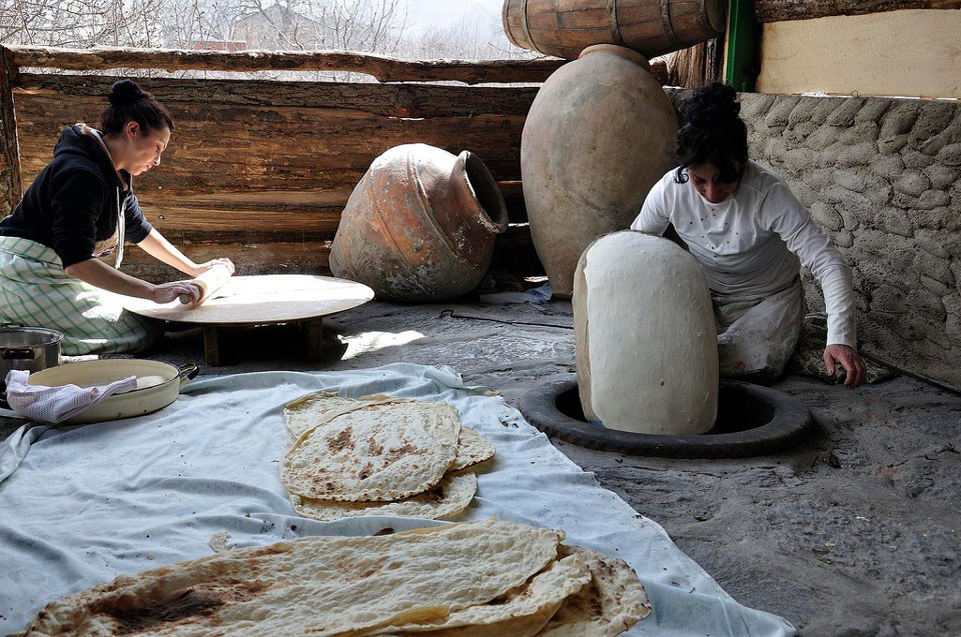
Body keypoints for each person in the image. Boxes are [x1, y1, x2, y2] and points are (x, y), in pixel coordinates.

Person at [631, 82, 865, 387]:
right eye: (700, 181)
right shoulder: (670, 189)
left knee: (744, 366)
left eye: (723, 178)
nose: (712, 193)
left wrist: (841, 339)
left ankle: (790, 335)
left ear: (742, 162)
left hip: (769, 301)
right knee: (658, 348)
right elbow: (634, 249)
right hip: (703, 297)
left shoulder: (769, 194)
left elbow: (827, 262)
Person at [0, 79, 233, 355]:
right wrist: (153, 292)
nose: (157, 161)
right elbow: (76, 263)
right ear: (132, 130)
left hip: (53, 276)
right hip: (23, 277)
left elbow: (138, 228)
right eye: (157, 147)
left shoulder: (114, 173)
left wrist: (195, 269)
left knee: (148, 320)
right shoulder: (81, 173)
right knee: (138, 330)